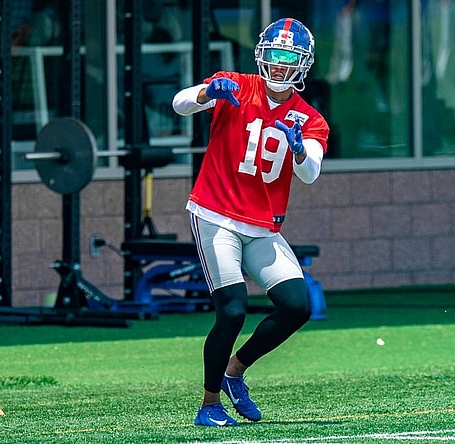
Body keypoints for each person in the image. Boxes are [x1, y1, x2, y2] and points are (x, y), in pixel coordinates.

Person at [171, 17, 330, 427]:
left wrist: (298, 151)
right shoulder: (237, 84)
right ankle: (208, 404)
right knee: (233, 310)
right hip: (216, 213)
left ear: (303, 64)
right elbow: (180, 102)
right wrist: (208, 91)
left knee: (298, 306)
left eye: (288, 58)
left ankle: (234, 371)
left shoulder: (309, 118)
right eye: (274, 56)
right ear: (262, 55)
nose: (279, 65)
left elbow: (310, 171)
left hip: (262, 225)